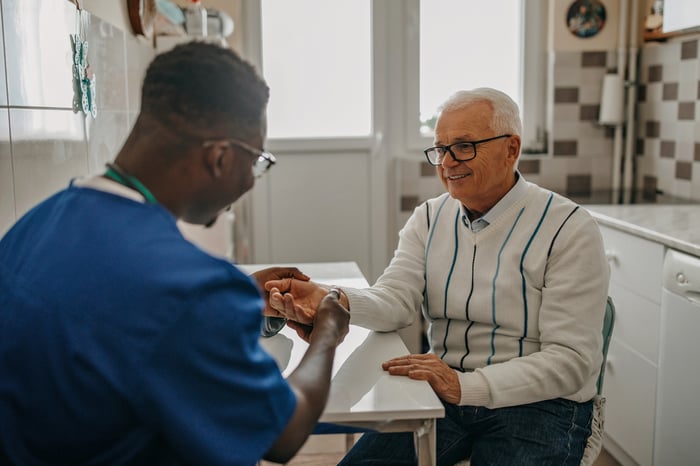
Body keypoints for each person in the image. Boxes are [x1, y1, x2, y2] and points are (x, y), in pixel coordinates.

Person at [0, 41, 350, 466]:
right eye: (257, 161)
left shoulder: (35, 225)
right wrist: (330, 328)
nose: (253, 181)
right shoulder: (190, 290)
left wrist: (235, 293)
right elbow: (282, 434)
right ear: (220, 157)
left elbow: (110, 306)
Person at [266, 88, 610, 465]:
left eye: (464, 146)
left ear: (512, 149)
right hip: (446, 391)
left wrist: (466, 386)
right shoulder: (429, 217)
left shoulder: (569, 228)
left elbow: (570, 360)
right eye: (440, 149)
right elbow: (396, 302)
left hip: (539, 403)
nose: (447, 162)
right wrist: (329, 298)